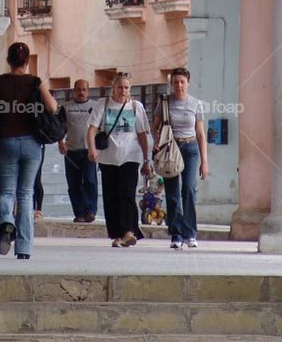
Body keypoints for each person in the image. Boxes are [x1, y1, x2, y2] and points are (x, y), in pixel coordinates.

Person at [0, 42, 58, 259]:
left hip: (7, 143)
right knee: (26, 194)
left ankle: (6, 221)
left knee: (6, 192)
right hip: (33, 145)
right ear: (26, 61)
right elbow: (52, 108)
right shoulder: (36, 82)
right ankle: (24, 249)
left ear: (9, 60)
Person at [87, 73, 151, 247]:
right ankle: (117, 234)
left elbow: (142, 135)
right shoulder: (103, 104)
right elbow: (92, 130)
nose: (123, 91)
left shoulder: (136, 107)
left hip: (131, 156)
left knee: (127, 194)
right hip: (108, 157)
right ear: (113, 88)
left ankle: (129, 231)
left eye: (126, 87)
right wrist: (92, 149)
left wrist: (146, 160)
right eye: (120, 87)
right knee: (111, 196)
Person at [154, 67, 208, 250]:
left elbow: (200, 133)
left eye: (182, 82)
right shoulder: (164, 103)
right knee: (172, 192)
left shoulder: (196, 104)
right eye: (175, 82)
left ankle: (190, 233)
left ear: (188, 83)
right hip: (171, 148)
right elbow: (155, 127)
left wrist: (204, 162)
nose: (179, 85)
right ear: (171, 84)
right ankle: (176, 234)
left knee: (189, 189)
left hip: (190, 147)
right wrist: (157, 144)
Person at [58, 79, 98, 222]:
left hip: (89, 151)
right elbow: (60, 127)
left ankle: (90, 211)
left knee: (90, 180)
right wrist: (60, 142)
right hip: (71, 151)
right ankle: (79, 213)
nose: (81, 92)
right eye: (79, 89)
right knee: (74, 183)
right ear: (74, 90)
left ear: (88, 91)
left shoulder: (95, 106)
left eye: (84, 89)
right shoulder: (66, 107)